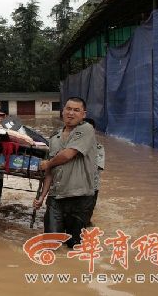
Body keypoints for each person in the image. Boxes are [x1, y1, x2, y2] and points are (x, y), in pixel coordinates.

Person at [33, 97, 97, 248]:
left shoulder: (86, 129)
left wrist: (47, 163)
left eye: (76, 110)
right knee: (50, 244)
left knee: (74, 246)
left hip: (79, 197)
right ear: (62, 111)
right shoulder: (54, 137)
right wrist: (42, 196)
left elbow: (68, 154)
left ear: (84, 114)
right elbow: (50, 171)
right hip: (56, 197)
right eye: (68, 109)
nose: (71, 113)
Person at [83, 117, 105, 226]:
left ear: (94, 130)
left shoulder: (99, 148)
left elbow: (96, 167)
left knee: (86, 218)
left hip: (91, 186)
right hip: (74, 186)